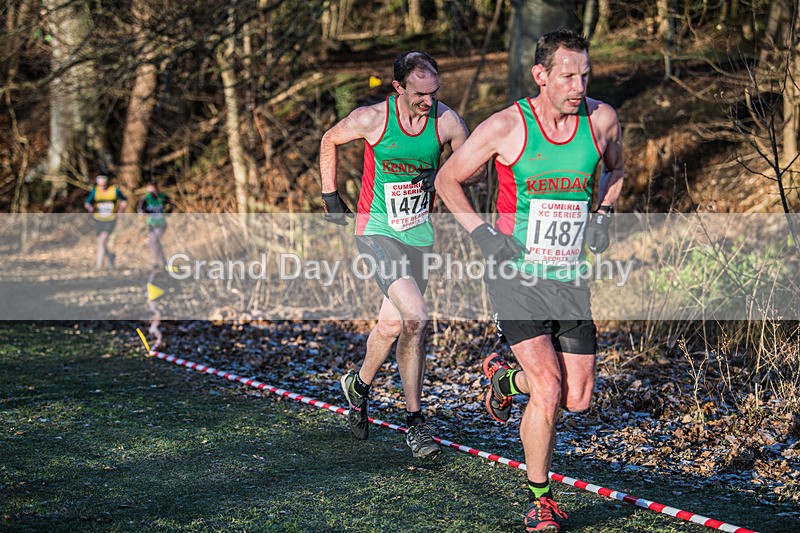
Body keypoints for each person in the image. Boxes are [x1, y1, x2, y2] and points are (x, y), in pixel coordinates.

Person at [436, 29, 624, 531]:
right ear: (541, 75)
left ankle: (502, 378)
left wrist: (603, 211)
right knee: (547, 387)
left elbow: (616, 168)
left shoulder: (601, 120)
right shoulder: (505, 127)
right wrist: (481, 234)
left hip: (568, 277)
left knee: (577, 397)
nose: (578, 84)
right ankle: (540, 499)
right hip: (513, 274)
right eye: (567, 75)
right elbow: (446, 179)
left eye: (584, 74)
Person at [319, 50, 484, 458]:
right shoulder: (372, 119)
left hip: (418, 235)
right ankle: (416, 423)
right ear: (398, 88)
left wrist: (451, 172)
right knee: (417, 317)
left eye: (435, 93)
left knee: (393, 326)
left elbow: (475, 169)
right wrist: (329, 195)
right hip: (375, 231)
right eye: (420, 95)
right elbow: (329, 139)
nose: (429, 102)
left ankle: (357, 386)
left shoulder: (447, 122)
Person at [84, 174, 127, 269]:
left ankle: (98, 266)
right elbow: (87, 202)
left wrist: (121, 210)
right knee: (100, 242)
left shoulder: (114, 190)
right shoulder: (95, 191)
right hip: (98, 219)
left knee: (102, 239)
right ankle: (110, 255)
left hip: (110, 219)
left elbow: (124, 200)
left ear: (107, 183)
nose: (102, 187)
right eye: (100, 185)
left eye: (104, 185)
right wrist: (89, 207)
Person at [136, 180, 174, 268]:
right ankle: (164, 262)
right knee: (155, 243)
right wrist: (145, 212)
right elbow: (140, 209)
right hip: (151, 223)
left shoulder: (163, 197)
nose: (150, 193)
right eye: (148, 191)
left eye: (152, 191)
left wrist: (168, 213)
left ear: (156, 188)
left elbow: (171, 206)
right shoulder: (145, 198)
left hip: (161, 223)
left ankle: (155, 261)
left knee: (153, 240)